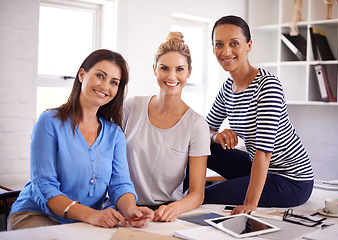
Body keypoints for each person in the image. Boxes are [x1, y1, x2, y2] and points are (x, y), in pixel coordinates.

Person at [8, 49, 153, 230]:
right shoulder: (49, 122)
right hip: (37, 215)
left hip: (84, 222)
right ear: (82, 75)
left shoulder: (115, 134)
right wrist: (91, 215)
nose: (105, 86)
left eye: (114, 82)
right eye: (100, 76)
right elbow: (45, 187)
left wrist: (132, 210)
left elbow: (120, 184)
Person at [203, 15, 314, 215]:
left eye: (234, 43)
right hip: (258, 167)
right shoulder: (228, 87)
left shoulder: (267, 86)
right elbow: (204, 128)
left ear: (249, 45)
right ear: (213, 49)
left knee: (206, 195)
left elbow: (264, 151)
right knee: (202, 149)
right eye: (219, 44)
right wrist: (215, 136)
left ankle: (184, 199)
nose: (226, 51)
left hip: (291, 179)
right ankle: (175, 195)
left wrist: (250, 204)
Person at [119, 32, 210, 222]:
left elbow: (197, 193)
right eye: (164, 68)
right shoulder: (131, 107)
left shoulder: (196, 125)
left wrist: (173, 209)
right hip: (123, 206)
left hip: (163, 212)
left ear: (189, 72)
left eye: (179, 69)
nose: (172, 76)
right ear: (154, 69)